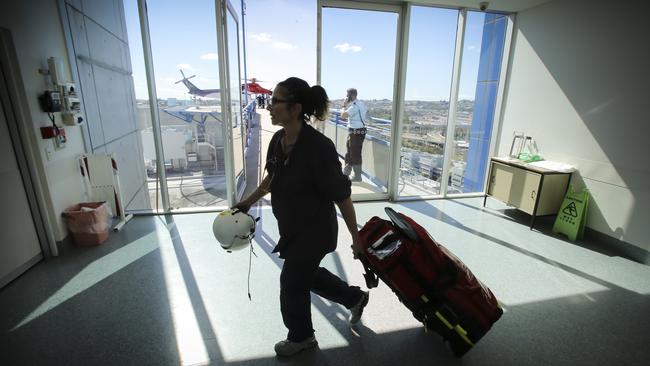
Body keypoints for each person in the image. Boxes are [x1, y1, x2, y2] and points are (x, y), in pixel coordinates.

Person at [234, 77, 369, 357]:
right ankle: (354, 297)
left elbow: (342, 196)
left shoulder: (319, 148)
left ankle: (301, 337)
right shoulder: (278, 140)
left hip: (316, 231)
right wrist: (246, 203)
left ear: (295, 108)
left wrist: (357, 239)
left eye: (276, 101)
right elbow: (272, 177)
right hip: (293, 228)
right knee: (305, 275)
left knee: (292, 281)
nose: (269, 106)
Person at [341, 88, 368, 182]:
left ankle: (357, 176)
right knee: (349, 152)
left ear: (351, 96)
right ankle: (346, 174)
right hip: (355, 131)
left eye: (347, 95)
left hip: (356, 132)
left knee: (355, 153)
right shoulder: (360, 104)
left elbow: (343, 116)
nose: (346, 97)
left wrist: (344, 105)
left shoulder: (355, 106)